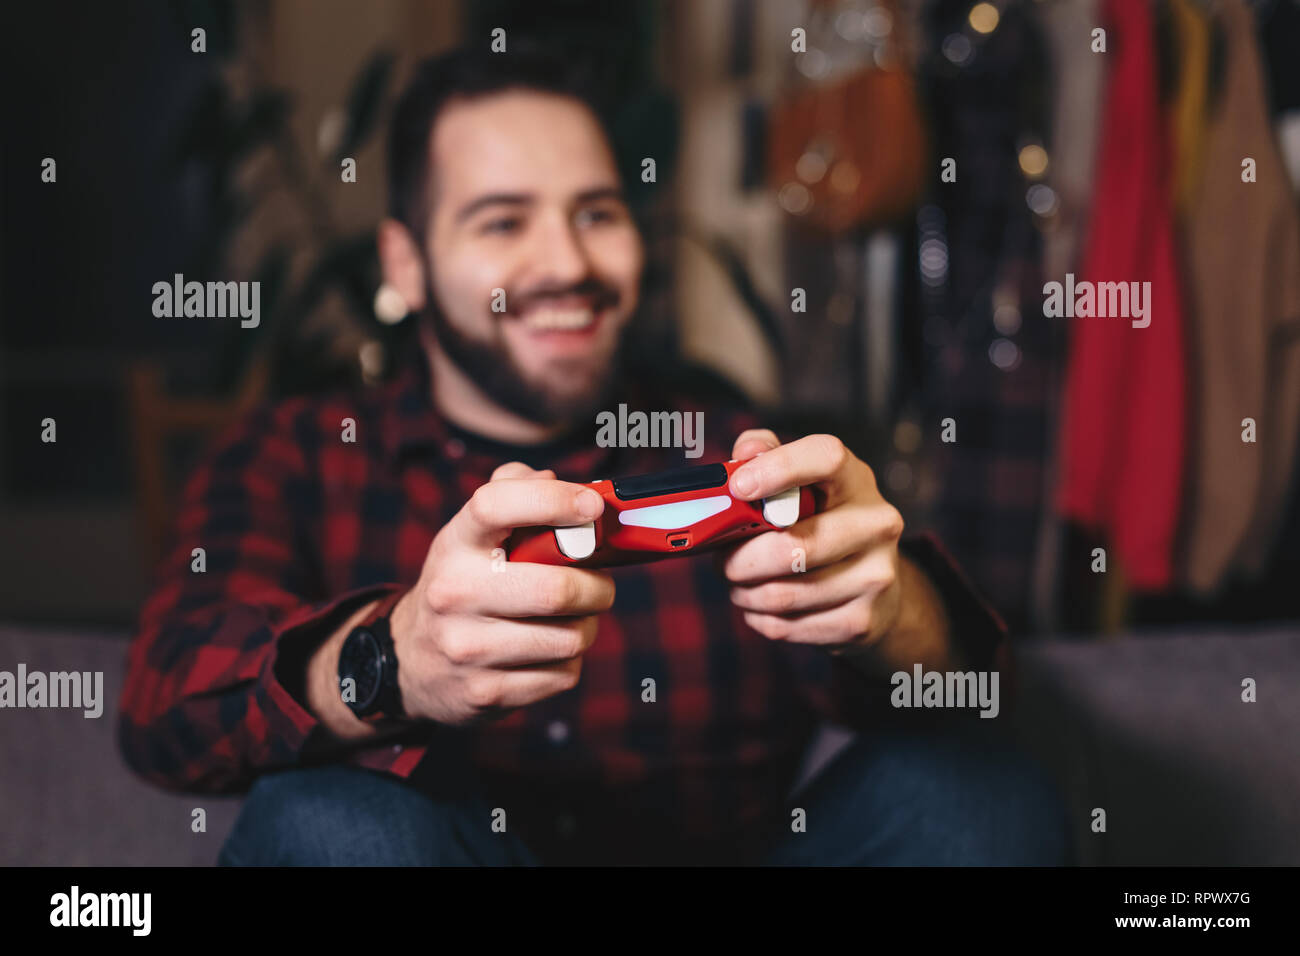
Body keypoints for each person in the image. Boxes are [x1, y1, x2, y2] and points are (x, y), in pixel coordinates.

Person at [119, 45, 1070, 866]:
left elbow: (978, 692)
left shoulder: (731, 448)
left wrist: (893, 612)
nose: (568, 264)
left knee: (974, 795)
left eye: (598, 213)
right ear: (405, 266)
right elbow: (166, 708)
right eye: (502, 221)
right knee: (331, 823)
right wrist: (395, 657)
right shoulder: (294, 455)